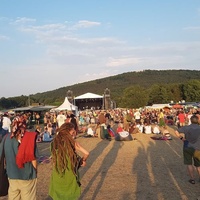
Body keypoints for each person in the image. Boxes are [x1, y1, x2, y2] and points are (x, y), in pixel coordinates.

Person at [0, 115, 38, 199]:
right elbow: (33, 158)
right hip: (27, 175)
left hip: (12, 175)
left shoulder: (6, 138)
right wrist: (35, 171)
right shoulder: (29, 137)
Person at [49, 122, 89, 200]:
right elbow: (86, 153)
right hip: (70, 175)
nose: (73, 134)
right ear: (69, 131)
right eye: (73, 132)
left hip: (58, 174)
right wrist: (82, 161)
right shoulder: (72, 143)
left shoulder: (53, 143)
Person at [175, 115, 200, 184]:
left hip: (187, 146)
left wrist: (181, 138)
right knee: (198, 165)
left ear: (191, 120)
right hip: (198, 148)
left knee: (189, 164)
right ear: (197, 120)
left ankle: (192, 179)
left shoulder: (187, 127)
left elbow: (176, 131)